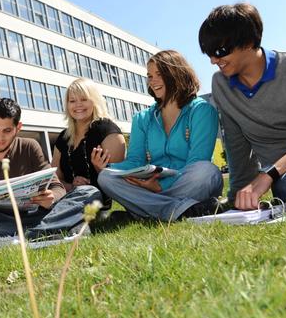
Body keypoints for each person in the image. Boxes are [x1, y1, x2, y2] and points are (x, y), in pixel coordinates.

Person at [94, 50, 223, 221]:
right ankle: (181, 211)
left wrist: (159, 187)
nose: (152, 81)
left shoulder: (202, 111)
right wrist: (107, 166)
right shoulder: (141, 119)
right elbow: (135, 161)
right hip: (150, 186)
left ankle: (143, 212)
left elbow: (198, 159)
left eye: (159, 74)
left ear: (177, 74)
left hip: (187, 184)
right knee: (106, 178)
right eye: (149, 76)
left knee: (207, 171)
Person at [0, 98, 101, 242]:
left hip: (38, 213)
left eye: (7, 130)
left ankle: (26, 237)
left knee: (89, 192)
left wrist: (51, 197)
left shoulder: (30, 147)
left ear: (18, 128)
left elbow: (58, 188)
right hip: (2, 220)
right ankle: (54, 230)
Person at [199, 2, 286, 209]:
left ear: (248, 41)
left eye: (220, 50)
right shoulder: (221, 84)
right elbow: (237, 147)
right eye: (209, 53)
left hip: (282, 176)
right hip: (283, 179)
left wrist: (270, 173)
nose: (214, 60)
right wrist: (237, 198)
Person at [52, 78, 125, 208]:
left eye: (84, 99)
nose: (78, 105)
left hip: (97, 201)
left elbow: (120, 182)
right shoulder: (63, 137)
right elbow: (55, 179)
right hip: (67, 197)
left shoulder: (108, 131)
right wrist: (72, 186)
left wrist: (100, 170)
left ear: (95, 101)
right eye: (72, 101)